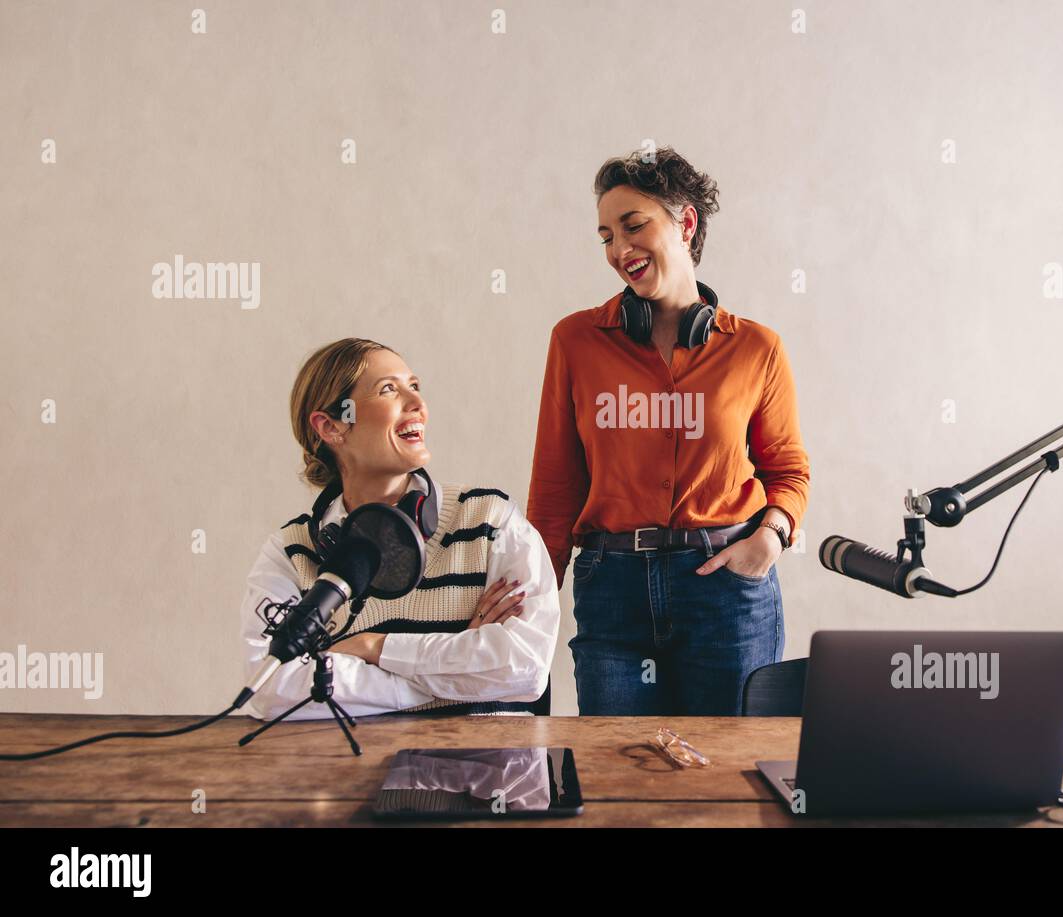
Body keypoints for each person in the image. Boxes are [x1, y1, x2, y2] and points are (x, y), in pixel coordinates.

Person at [527, 147, 811, 715]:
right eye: (606, 236)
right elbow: (556, 488)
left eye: (634, 226)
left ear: (685, 223)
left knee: (728, 777)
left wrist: (771, 537)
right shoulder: (576, 341)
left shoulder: (757, 348)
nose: (618, 250)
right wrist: (533, 595)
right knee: (618, 779)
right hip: (613, 590)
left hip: (726, 591)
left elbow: (787, 472)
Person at [241, 338, 559, 720]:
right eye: (388, 389)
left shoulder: (491, 521)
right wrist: (457, 665)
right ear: (331, 426)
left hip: (485, 775)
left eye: (415, 386)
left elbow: (523, 667)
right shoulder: (289, 552)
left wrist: (373, 647)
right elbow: (271, 688)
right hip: (355, 775)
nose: (417, 405)